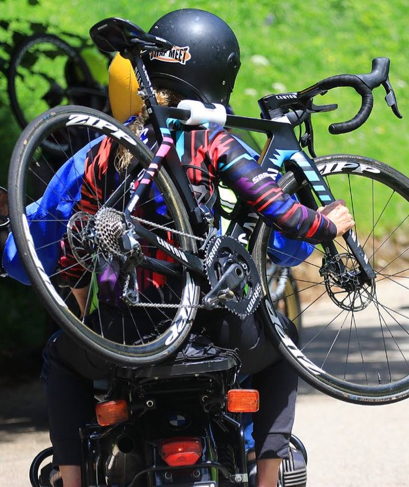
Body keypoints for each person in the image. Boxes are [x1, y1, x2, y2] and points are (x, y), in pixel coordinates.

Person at [38, 9, 355, 487]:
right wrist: (327, 226)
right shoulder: (210, 139)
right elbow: (276, 208)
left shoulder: (106, 149)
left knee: (59, 359)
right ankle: (268, 477)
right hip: (214, 333)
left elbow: (74, 250)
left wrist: (87, 327)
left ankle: (72, 479)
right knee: (282, 341)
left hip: (124, 336)